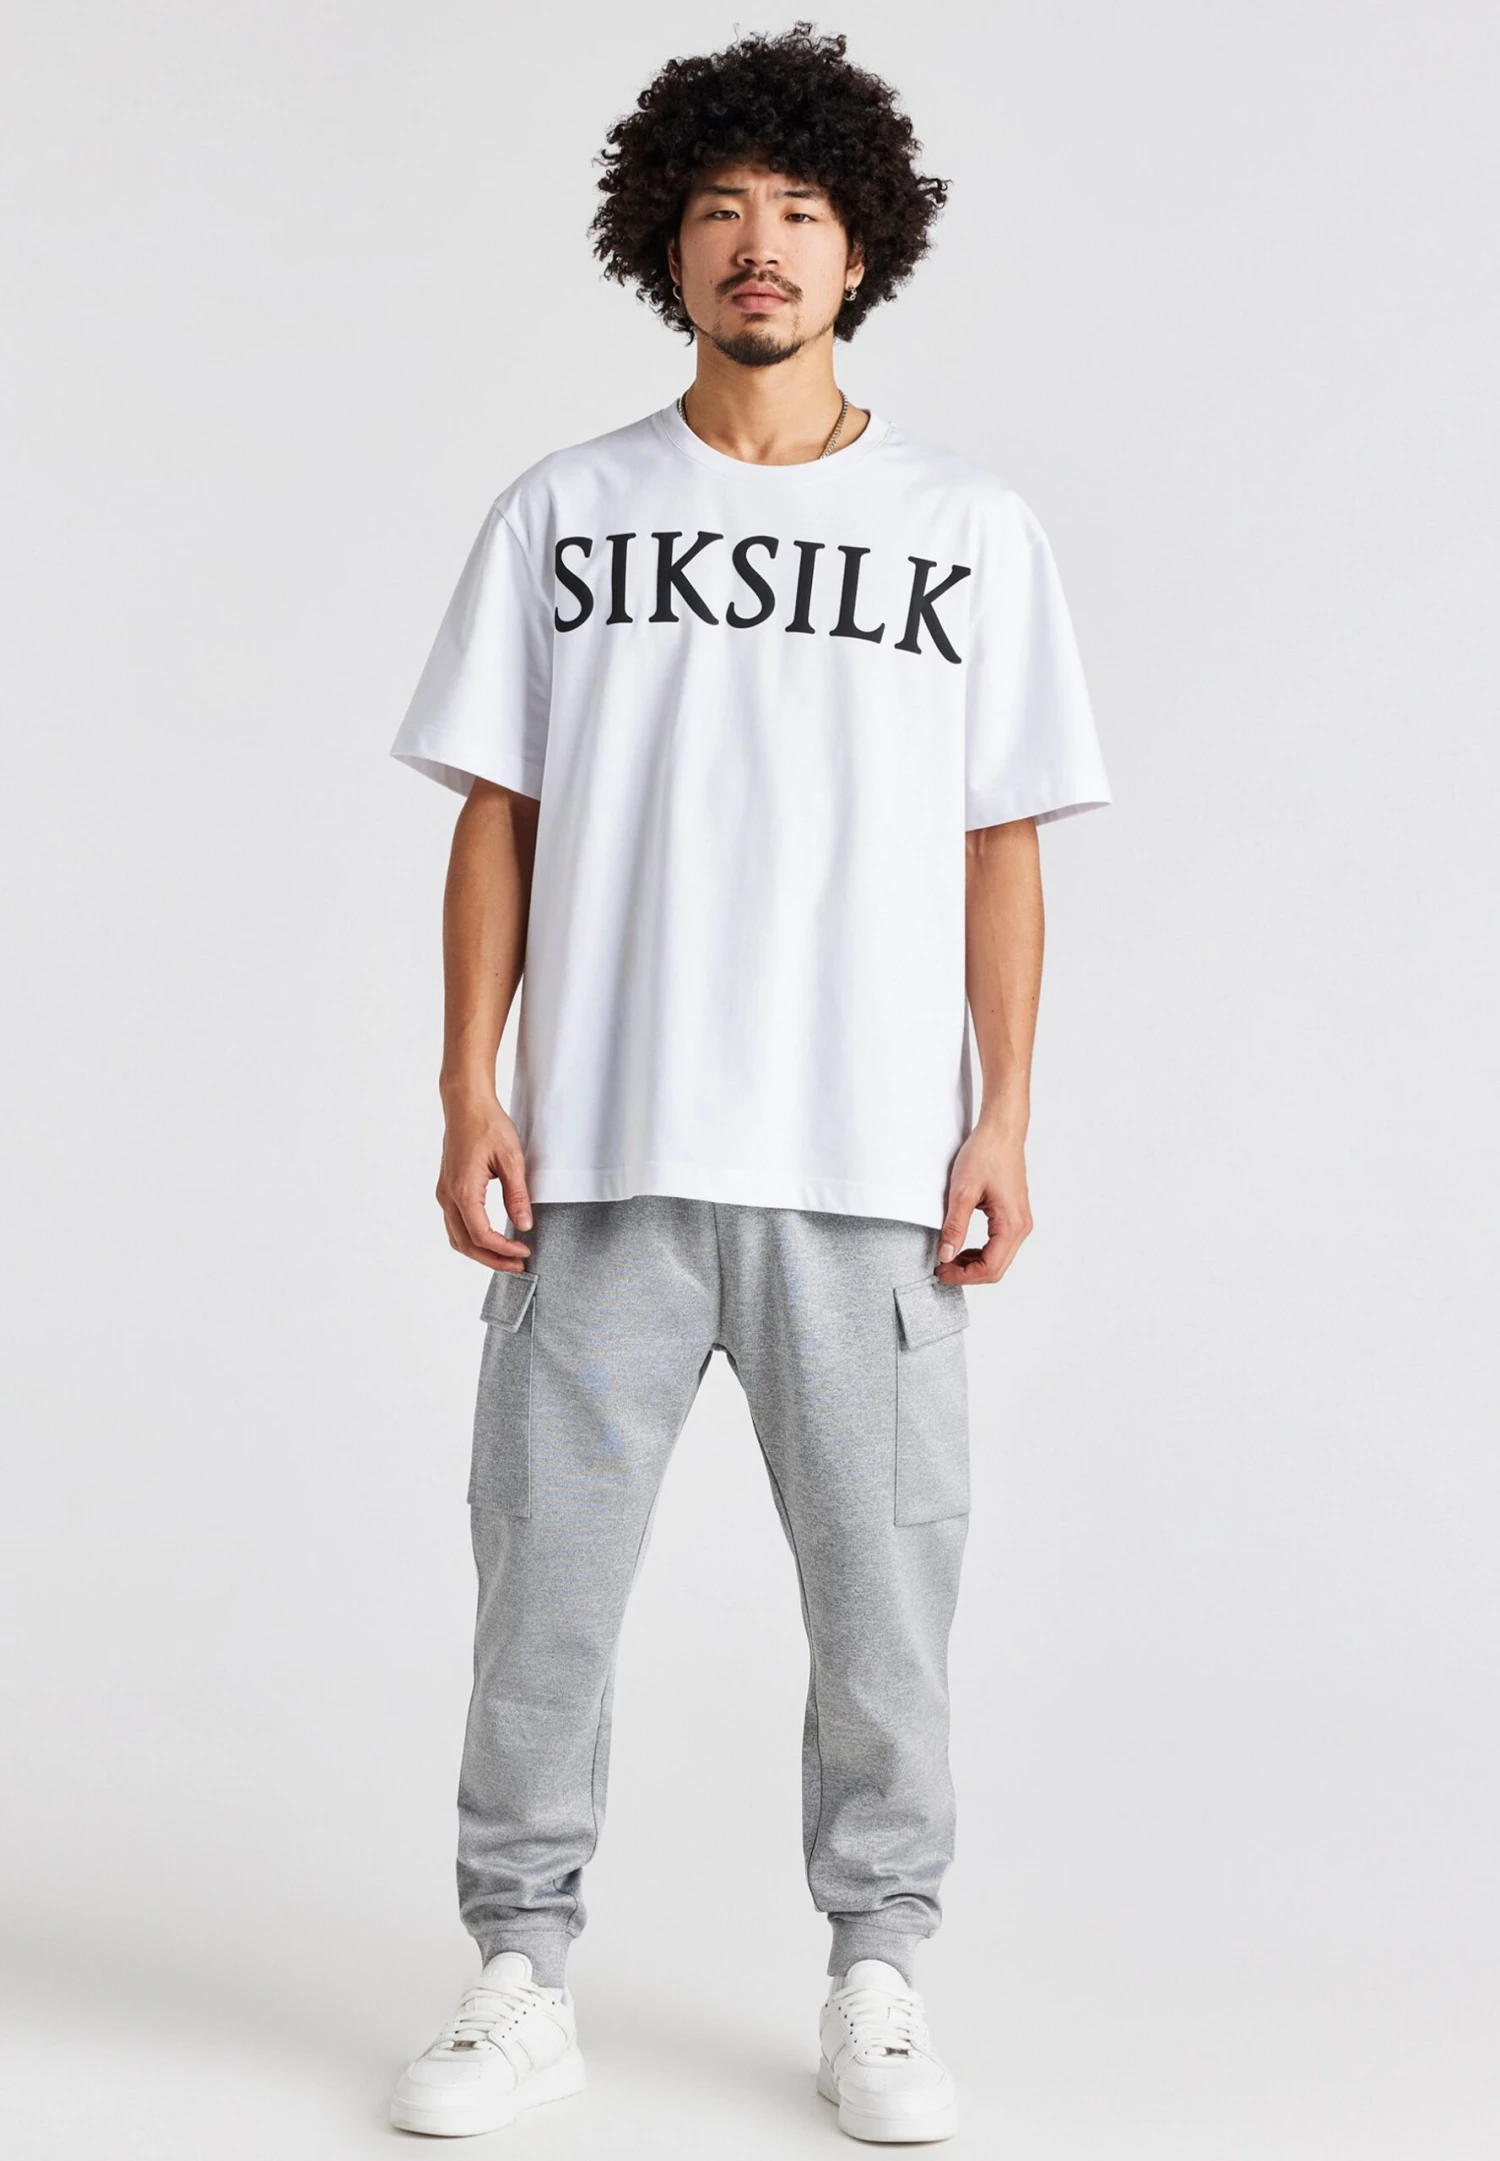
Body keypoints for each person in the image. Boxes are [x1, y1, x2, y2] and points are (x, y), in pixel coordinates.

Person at [386, 22, 1109, 2145]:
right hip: (601, 1156)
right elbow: (499, 812)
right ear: (667, 247)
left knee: (887, 1614)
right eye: (720, 210)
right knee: (543, 1595)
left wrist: (1003, 1114)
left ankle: (879, 1978)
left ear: (861, 249)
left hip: (868, 1165)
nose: (759, 244)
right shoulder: (568, 509)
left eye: (799, 210)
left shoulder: (967, 528)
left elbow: (1001, 841)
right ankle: (521, 1976)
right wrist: (468, 1086)